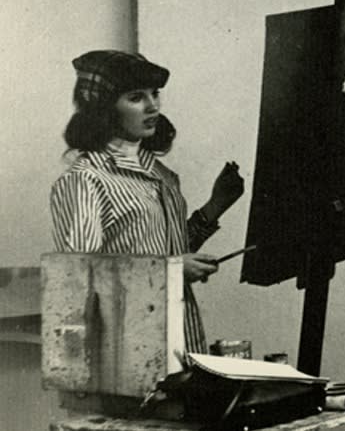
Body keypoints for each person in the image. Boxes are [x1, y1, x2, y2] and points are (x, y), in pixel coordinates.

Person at [49, 50, 245, 354]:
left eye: (155, 94)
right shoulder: (86, 179)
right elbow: (79, 277)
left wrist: (216, 205)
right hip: (126, 353)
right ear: (104, 108)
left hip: (182, 341)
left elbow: (171, 250)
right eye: (136, 97)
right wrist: (172, 271)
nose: (153, 105)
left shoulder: (161, 173)